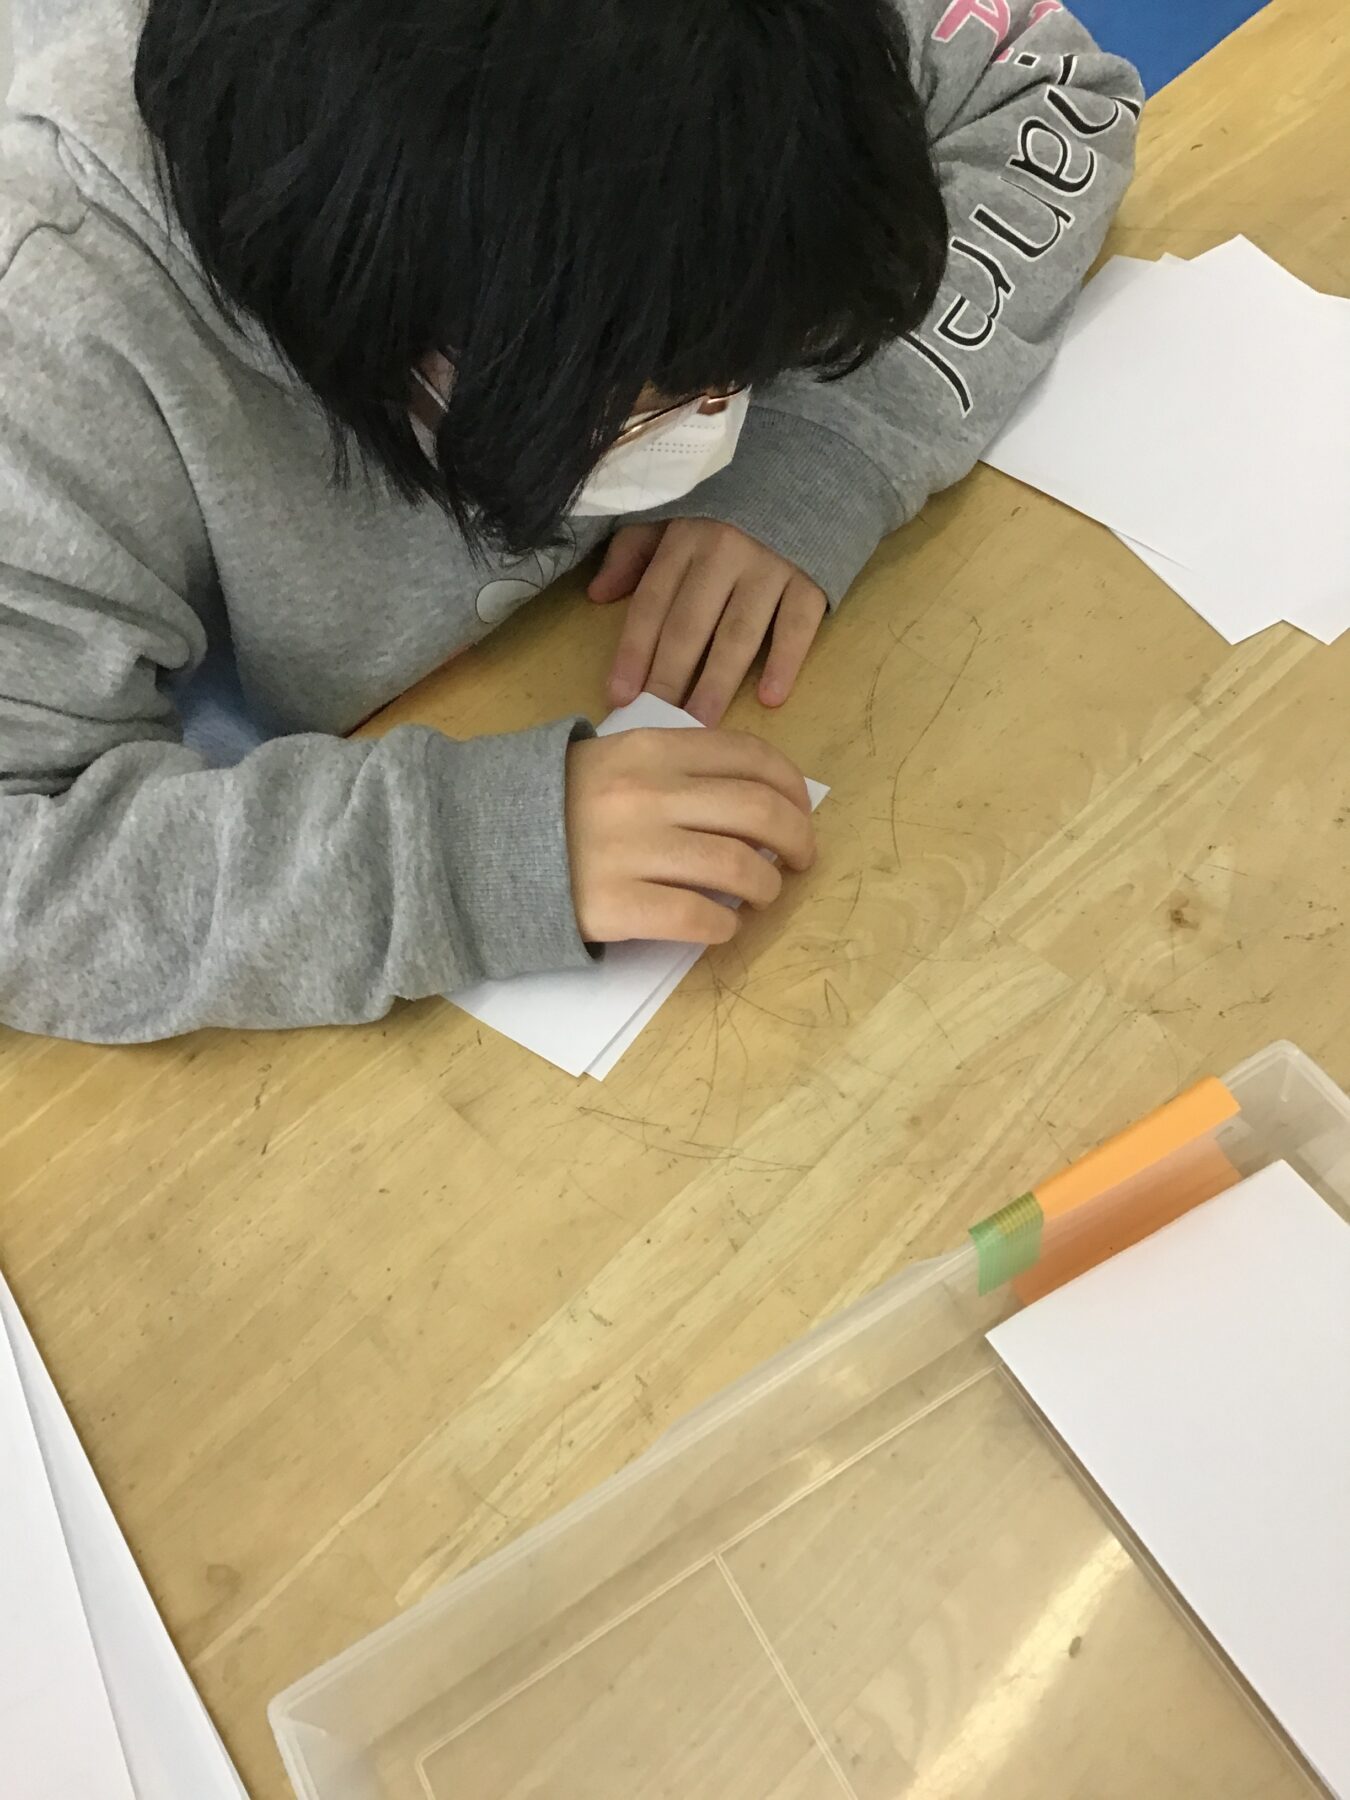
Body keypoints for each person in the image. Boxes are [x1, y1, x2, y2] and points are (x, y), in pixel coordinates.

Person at [0, 0, 1141, 1043]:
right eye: (650, 391)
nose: (718, 418)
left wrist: (825, 453)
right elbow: (23, 876)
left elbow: (1052, 91)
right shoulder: (52, 320)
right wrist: (472, 856)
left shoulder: (750, 37)